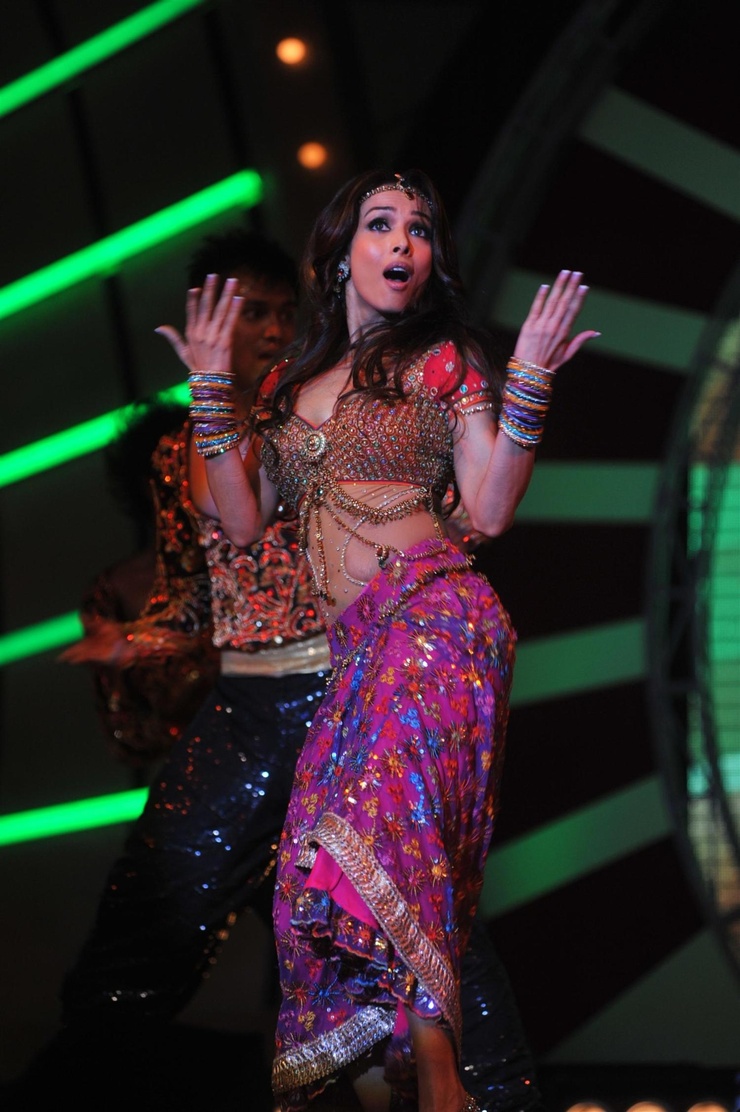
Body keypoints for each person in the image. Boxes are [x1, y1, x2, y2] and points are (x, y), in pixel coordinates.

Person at [7, 223, 545, 1111]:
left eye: (274, 311)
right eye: (240, 311)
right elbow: (194, 593)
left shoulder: (346, 404)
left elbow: (453, 517)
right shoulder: (188, 445)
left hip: (347, 698)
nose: (261, 327)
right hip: (243, 719)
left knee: (415, 918)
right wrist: (137, 640)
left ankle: (495, 1097)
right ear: (206, 319)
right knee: (144, 924)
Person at [170, 169, 598, 1112]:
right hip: (356, 656)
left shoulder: (444, 360)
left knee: (380, 828)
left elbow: (490, 507)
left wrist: (527, 378)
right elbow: (238, 518)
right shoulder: (284, 387)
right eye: (381, 224)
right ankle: (402, 1075)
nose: (404, 242)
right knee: (324, 873)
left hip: (438, 621)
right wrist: (210, 388)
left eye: (420, 229)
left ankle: (438, 1071)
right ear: (340, 254)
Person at [68, 397, 219, 771]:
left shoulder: (245, 558)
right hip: (194, 776)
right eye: (170, 472)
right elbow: (125, 736)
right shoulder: (112, 593)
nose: (184, 488)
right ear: (143, 486)